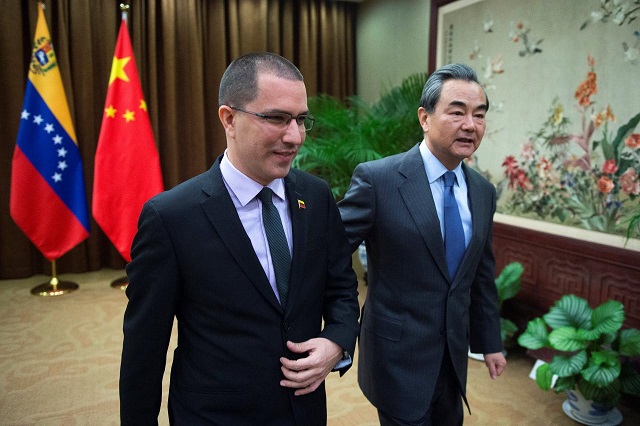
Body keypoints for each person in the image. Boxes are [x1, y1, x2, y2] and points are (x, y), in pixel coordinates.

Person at [119, 52, 360, 425]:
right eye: (277, 118)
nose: (294, 136)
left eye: (301, 120)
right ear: (229, 119)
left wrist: (337, 342)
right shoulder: (171, 217)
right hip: (216, 415)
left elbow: (342, 287)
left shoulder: (315, 196)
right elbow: (143, 350)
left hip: (305, 412)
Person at [338, 63, 506, 426]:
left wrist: (489, 340)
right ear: (424, 118)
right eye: (457, 112)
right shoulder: (378, 180)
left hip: (452, 358)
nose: (470, 125)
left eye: (479, 115)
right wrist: (334, 330)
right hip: (396, 357)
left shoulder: (482, 192)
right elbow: (328, 254)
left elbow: (480, 274)